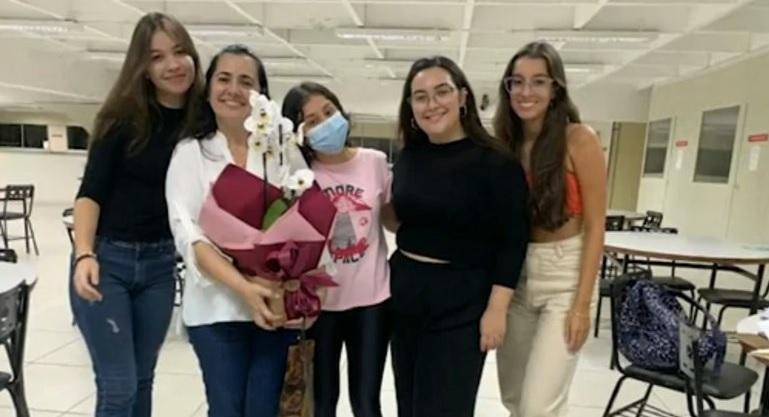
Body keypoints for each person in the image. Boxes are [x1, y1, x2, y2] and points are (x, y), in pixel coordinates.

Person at [70, 12, 203, 417]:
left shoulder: (202, 121)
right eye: (157, 57)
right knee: (119, 386)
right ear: (143, 68)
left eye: (179, 52)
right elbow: (90, 193)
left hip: (160, 265)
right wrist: (84, 253)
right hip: (108, 261)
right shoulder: (122, 119)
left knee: (143, 380)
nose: (173, 65)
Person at [165, 44, 309, 417]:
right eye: (223, 79)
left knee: (264, 409)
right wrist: (245, 288)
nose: (233, 89)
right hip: (216, 309)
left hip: (274, 306)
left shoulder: (280, 148)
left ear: (261, 94)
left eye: (246, 81)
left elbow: (304, 212)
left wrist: (282, 284)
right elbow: (189, 236)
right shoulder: (191, 154)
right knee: (227, 409)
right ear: (208, 88)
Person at [389, 56, 529, 417]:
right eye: (420, 96)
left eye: (442, 92)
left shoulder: (496, 162)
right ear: (410, 106)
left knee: (446, 408)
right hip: (405, 292)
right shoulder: (409, 156)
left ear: (463, 97)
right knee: (409, 405)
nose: (431, 104)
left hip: (462, 299)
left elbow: (513, 242)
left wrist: (497, 310)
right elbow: (406, 222)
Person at [494, 41, 607, 417]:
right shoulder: (505, 145)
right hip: (516, 276)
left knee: (538, 406)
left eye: (538, 81)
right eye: (517, 81)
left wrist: (582, 305)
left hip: (565, 276)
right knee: (514, 398)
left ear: (555, 88)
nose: (526, 91)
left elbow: (596, 225)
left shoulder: (579, 139)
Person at [282, 81, 392, 417]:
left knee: (367, 403)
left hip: (372, 301)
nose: (326, 123)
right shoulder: (298, 177)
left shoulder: (375, 162)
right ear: (299, 133)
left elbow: (393, 218)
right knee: (322, 402)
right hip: (320, 306)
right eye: (312, 121)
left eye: (329, 112)